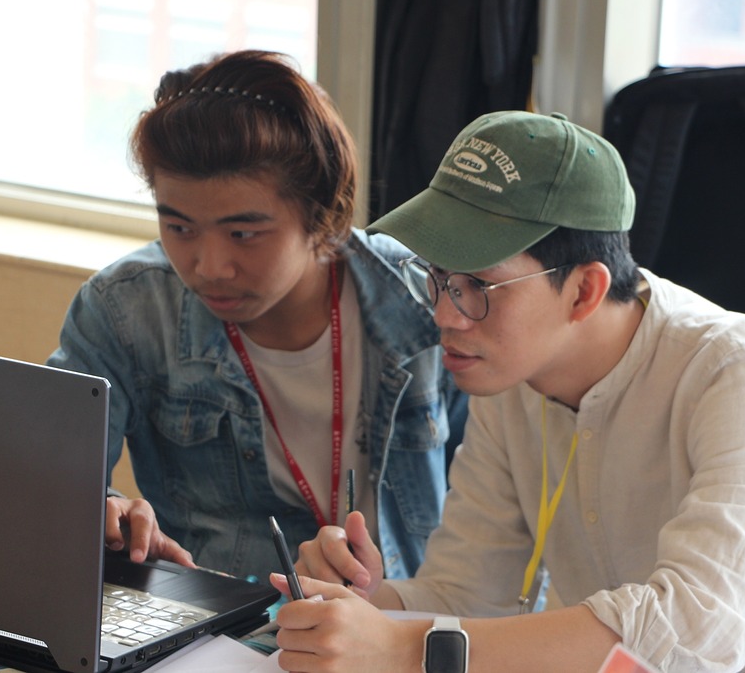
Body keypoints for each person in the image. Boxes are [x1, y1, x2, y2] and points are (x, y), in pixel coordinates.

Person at [270, 111, 745, 672]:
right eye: (436, 278)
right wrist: (369, 607)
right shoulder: (511, 376)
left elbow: (695, 631)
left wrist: (405, 646)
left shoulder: (741, 374)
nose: (444, 314)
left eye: (477, 286)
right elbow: (471, 595)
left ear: (584, 290)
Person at [44, 49, 465, 582]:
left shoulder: (423, 297)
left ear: (320, 213)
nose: (209, 266)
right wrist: (109, 511)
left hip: (399, 617)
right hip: (227, 621)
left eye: (243, 233)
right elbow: (45, 480)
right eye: (179, 228)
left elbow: (493, 508)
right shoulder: (125, 309)